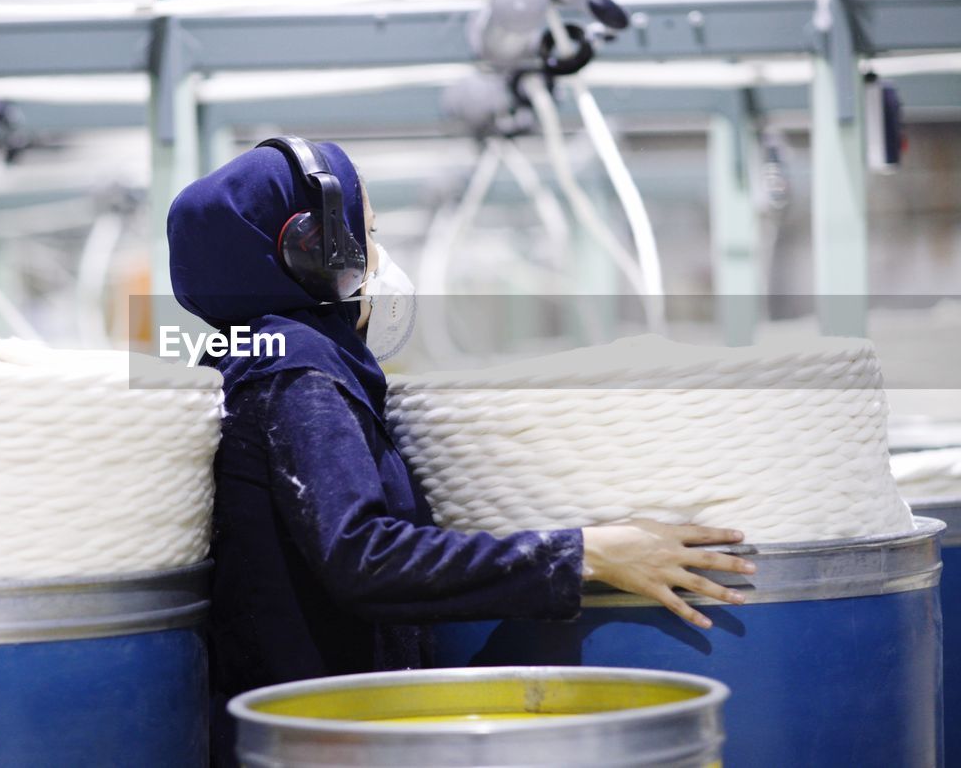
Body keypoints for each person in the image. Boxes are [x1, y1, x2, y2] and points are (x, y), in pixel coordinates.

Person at [167, 137, 756, 767]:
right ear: (314, 249)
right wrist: (589, 553)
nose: (378, 257)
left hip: (293, 728)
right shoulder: (297, 370)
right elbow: (362, 557)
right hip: (323, 735)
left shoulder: (246, 355)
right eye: (367, 233)